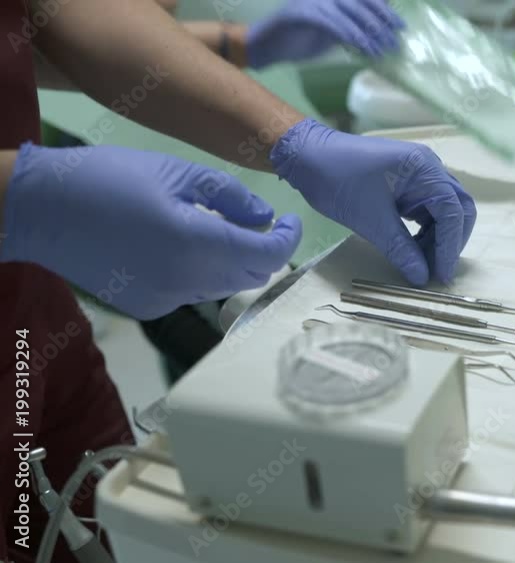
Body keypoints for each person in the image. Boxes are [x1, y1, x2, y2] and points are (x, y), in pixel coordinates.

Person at [0, 0, 476, 561]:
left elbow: (37, 22)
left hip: (32, 329)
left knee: (103, 526)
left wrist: (292, 136)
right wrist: (25, 201)